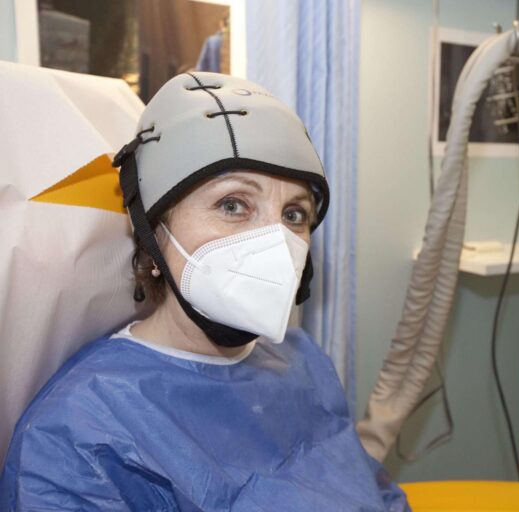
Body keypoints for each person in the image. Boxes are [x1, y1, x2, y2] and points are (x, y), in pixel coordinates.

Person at [0, 72, 410, 512]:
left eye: (294, 214)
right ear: (153, 237)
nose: (276, 240)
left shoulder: (302, 360)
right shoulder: (79, 437)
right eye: (233, 205)